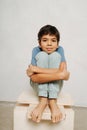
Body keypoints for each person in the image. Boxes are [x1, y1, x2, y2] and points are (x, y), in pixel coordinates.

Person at [26, 25, 70, 123]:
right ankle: (43, 100)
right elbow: (34, 78)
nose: (49, 44)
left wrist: (37, 69)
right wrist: (59, 74)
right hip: (38, 83)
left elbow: (63, 70)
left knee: (55, 56)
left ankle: (52, 101)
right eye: (45, 40)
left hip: (55, 84)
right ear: (39, 43)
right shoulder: (36, 50)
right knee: (42, 55)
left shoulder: (60, 50)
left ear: (58, 43)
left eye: (53, 40)